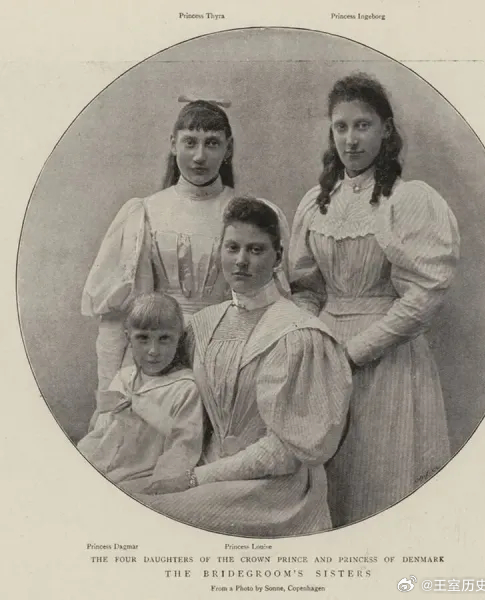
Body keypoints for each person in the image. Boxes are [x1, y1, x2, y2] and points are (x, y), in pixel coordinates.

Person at [288, 72, 460, 526]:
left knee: (381, 485)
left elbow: (424, 295)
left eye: (362, 125)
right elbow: (305, 288)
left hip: (389, 360)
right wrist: (315, 342)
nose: (351, 139)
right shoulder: (316, 204)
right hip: (326, 361)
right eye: (341, 127)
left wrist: (358, 349)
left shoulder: (407, 201)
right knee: (328, 492)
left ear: (386, 130)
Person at [131, 197, 352, 537]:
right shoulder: (203, 325)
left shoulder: (300, 334)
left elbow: (288, 452)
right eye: (232, 247)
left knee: (148, 516)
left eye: (256, 250)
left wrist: (194, 479)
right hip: (205, 473)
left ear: (277, 257)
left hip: (275, 490)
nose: (241, 261)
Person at [81, 98, 237, 395]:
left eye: (212, 143)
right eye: (190, 142)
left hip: (223, 358)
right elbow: (115, 318)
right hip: (154, 360)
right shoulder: (145, 213)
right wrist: (108, 390)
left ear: (227, 149)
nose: (200, 156)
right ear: (173, 144)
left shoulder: (244, 212)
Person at [77, 292, 203, 489]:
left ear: (179, 339)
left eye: (164, 339)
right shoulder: (123, 377)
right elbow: (101, 431)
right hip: (101, 467)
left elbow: (183, 448)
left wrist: (161, 484)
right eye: (143, 338)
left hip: (142, 477)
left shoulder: (185, 388)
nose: (153, 350)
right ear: (128, 338)